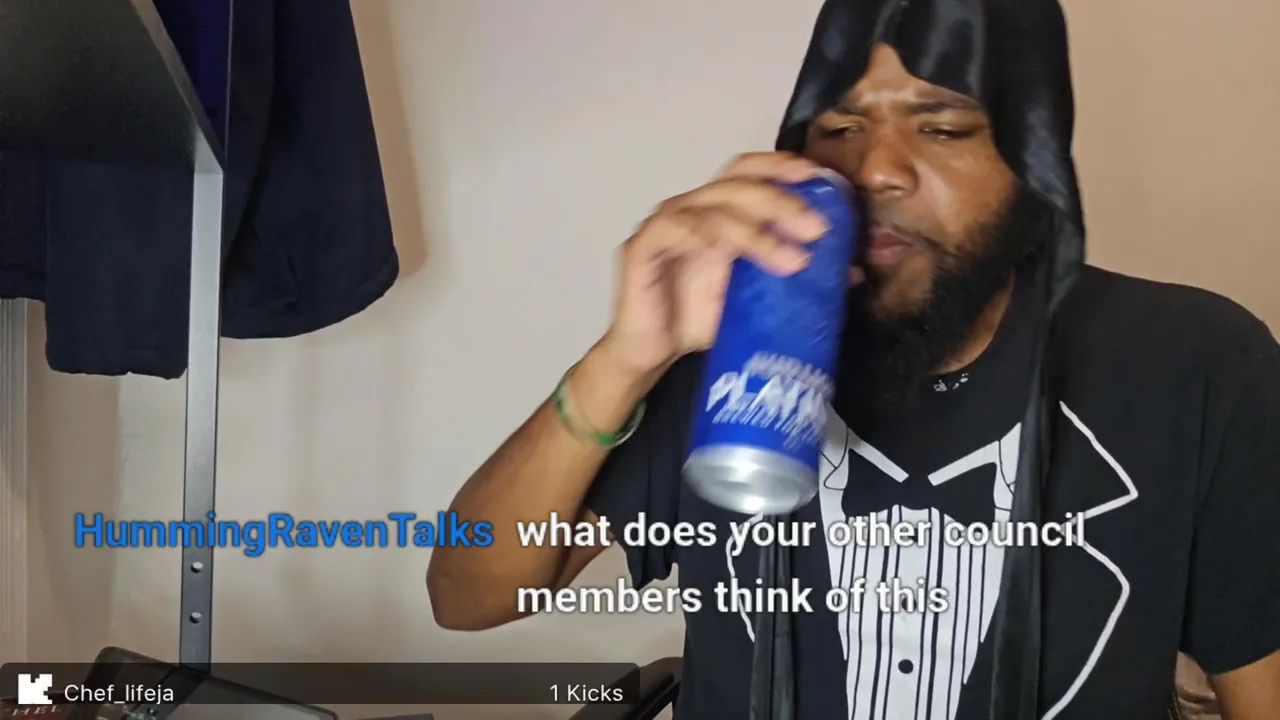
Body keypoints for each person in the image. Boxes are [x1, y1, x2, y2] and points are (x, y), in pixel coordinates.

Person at [427, 0, 1280, 717]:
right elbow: (467, 597)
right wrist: (625, 359)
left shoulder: (1195, 364)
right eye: (838, 126)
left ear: (1035, 154)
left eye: (942, 126)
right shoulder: (734, 357)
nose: (875, 169)